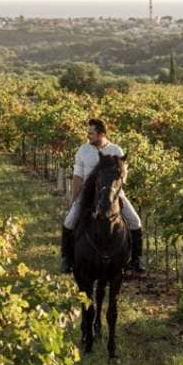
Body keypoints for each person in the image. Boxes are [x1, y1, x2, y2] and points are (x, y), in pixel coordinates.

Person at [60, 118, 146, 275]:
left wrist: (115, 190)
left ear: (101, 134)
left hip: (114, 194)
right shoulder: (83, 151)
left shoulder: (116, 151)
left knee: (135, 221)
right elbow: (78, 177)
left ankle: (136, 259)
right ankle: (67, 258)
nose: (88, 136)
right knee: (69, 220)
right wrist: (74, 199)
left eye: (91, 133)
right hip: (88, 194)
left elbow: (123, 177)